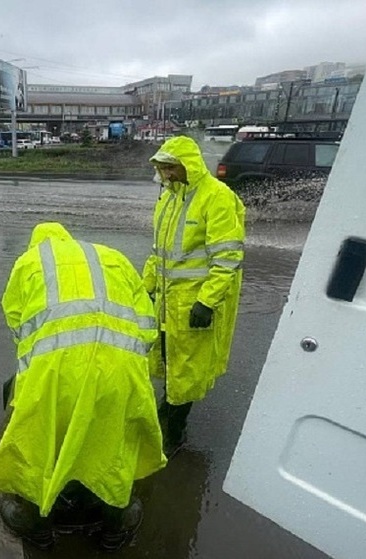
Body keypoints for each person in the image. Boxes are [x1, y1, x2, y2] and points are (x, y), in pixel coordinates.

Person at [0, 222, 166, 551]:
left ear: (37, 244)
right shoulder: (112, 257)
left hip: (56, 372)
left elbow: (19, 325)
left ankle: (37, 525)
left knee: (40, 441)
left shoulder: (30, 262)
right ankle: (115, 526)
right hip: (120, 368)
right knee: (114, 441)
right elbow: (147, 322)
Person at [143, 136, 245, 457]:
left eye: (171, 167)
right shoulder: (169, 199)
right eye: (162, 168)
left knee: (186, 368)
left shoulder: (217, 198)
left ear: (189, 164)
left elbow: (227, 257)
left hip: (193, 304)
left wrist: (207, 301)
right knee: (168, 358)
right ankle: (169, 406)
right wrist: (145, 289)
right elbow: (158, 253)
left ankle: (176, 432)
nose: (166, 174)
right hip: (167, 303)